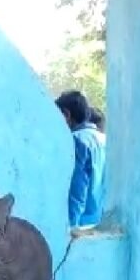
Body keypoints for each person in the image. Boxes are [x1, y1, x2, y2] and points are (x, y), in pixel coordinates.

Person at [55, 91, 106, 229]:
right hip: (98, 222)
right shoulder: (103, 139)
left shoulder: (76, 140)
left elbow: (77, 189)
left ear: (66, 114)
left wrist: (70, 227)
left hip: (80, 224)